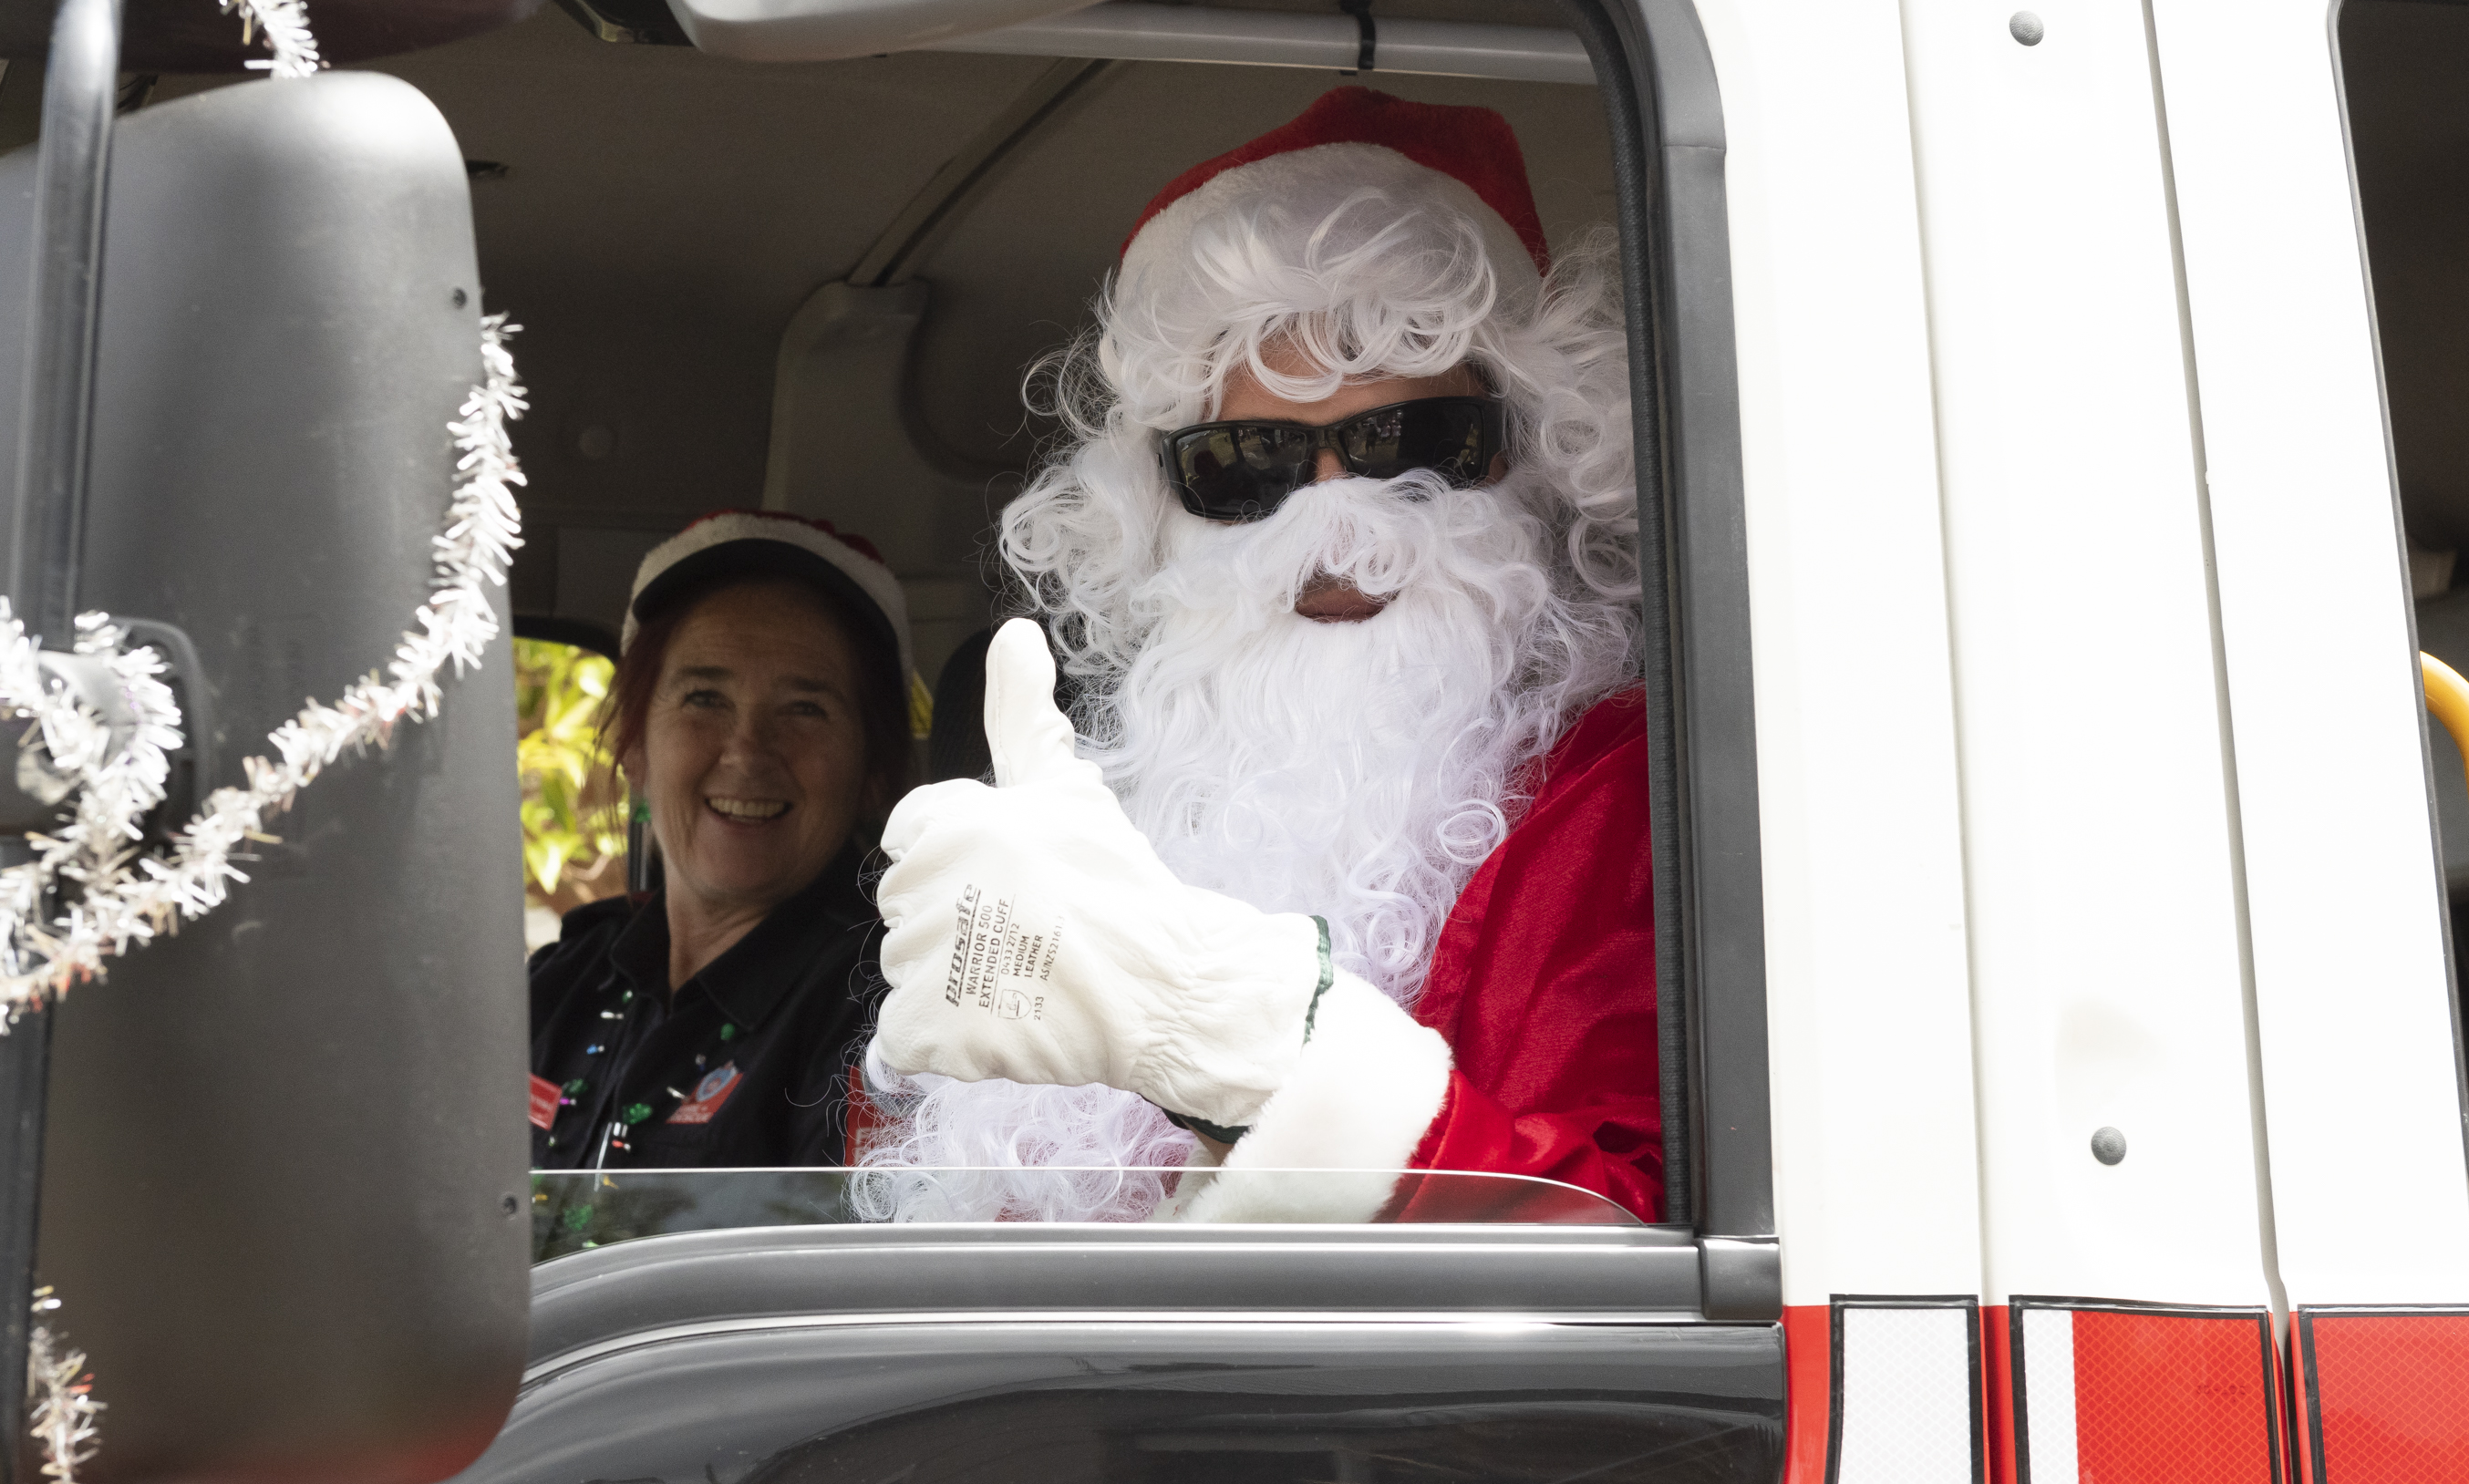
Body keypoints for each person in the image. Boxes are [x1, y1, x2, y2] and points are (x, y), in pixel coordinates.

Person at [860, 87, 1661, 1223]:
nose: (1339, 523)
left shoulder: (1632, 803)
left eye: (1409, 447)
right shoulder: (1116, 809)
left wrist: (1242, 1042)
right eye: (1249, 462)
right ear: (1165, 506)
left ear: (1527, 463)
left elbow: (1631, 1253)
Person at [529, 513, 917, 1171]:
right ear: (634, 745)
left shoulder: (886, 1015)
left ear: (873, 769)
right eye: (704, 697)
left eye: (805, 708)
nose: (747, 752)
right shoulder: (561, 983)